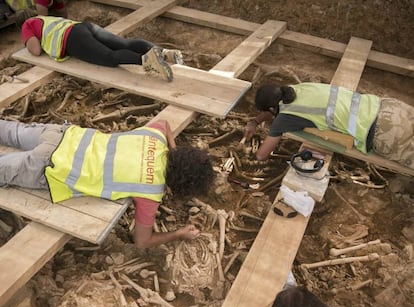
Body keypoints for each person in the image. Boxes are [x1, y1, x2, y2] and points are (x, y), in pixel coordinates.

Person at [0, 119, 215, 248]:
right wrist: (178, 234)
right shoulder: (150, 192)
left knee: (9, 131)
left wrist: (172, 149)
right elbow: (142, 241)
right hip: (51, 165)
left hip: (63, 134)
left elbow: (165, 123)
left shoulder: (155, 137)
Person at [244, 82, 414, 169]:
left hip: (385, 133)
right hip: (389, 107)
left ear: (273, 108)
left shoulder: (285, 117)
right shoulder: (296, 89)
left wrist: (253, 157)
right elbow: (271, 111)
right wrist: (255, 121)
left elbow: (262, 155)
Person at [18, 15, 185, 82]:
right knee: (123, 43)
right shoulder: (45, 18)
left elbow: (36, 51)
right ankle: (164, 53)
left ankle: (146, 60)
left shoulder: (27, 24)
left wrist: (27, 39)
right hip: (84, 27)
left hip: (72, 39)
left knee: (108, 57)